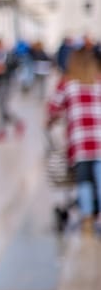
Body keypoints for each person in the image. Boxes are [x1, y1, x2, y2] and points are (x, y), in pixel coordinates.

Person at [46, 46, 101, 236]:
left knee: (84, 181)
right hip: (100, 140)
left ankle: (87, 218)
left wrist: (51, 121)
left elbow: (52, 109)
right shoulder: (98, 81)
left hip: (80, 142)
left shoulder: (66, 84)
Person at [0, 38, 25, 141]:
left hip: (8, 82)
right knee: (2, 107)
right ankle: (17, 122)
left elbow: (16, 65)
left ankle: (2, 129)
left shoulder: (9, 55)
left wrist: (4, 68)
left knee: (3, 107)